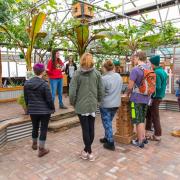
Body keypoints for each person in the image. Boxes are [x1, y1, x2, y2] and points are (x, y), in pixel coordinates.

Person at [69, 53, 103, 161]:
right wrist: (98, 100)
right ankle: (87, 151)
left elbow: (72, 92)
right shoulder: (97, 73)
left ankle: (88, 152)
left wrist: (73, 102)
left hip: (81, 106)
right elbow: (100, 90)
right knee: (91, 128)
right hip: (92, 104)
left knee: (85, 129)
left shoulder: (77, 74)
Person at [24, 63, 55, 157]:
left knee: (35, 127)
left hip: (33, 110)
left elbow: (26, 98)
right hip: (44, 111)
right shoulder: (44, 84)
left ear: (34, 71)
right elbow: (49, 99)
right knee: (43, 129)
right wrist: (52, 108)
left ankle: (34, 144)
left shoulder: (27, 83)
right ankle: (41, 149)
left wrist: (29, 107)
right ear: (43, 71)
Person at [127, 51, 150, 148]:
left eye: (134, 58)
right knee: (142, 118)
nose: (133, 60)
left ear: (137, 57)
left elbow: (130, 86)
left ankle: (140, 140)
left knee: (137, 119)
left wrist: (127, 93)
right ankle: (143, 137)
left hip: (136, 98)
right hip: (146, 98)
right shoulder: (149, 68)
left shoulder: (135, 69)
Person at [99, 60, 123, 151]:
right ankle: (106, 137)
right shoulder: (118, 76)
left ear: (105, 68)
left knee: (107, 123)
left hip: (106, 104)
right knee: (108, 122)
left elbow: (101, 93)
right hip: (116, 103)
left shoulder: (103, 79)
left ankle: (110, 142)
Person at [146, 55, 167, 141]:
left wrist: (148, 88)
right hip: (159, 96)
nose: (149, 64)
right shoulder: (162, 71)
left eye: (150, 63)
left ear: (153, 63)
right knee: (149, 114)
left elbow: (157, 87)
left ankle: (157, 135)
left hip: (155, 97)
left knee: (155, 116)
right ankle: (146, 130)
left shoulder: (157, 72)